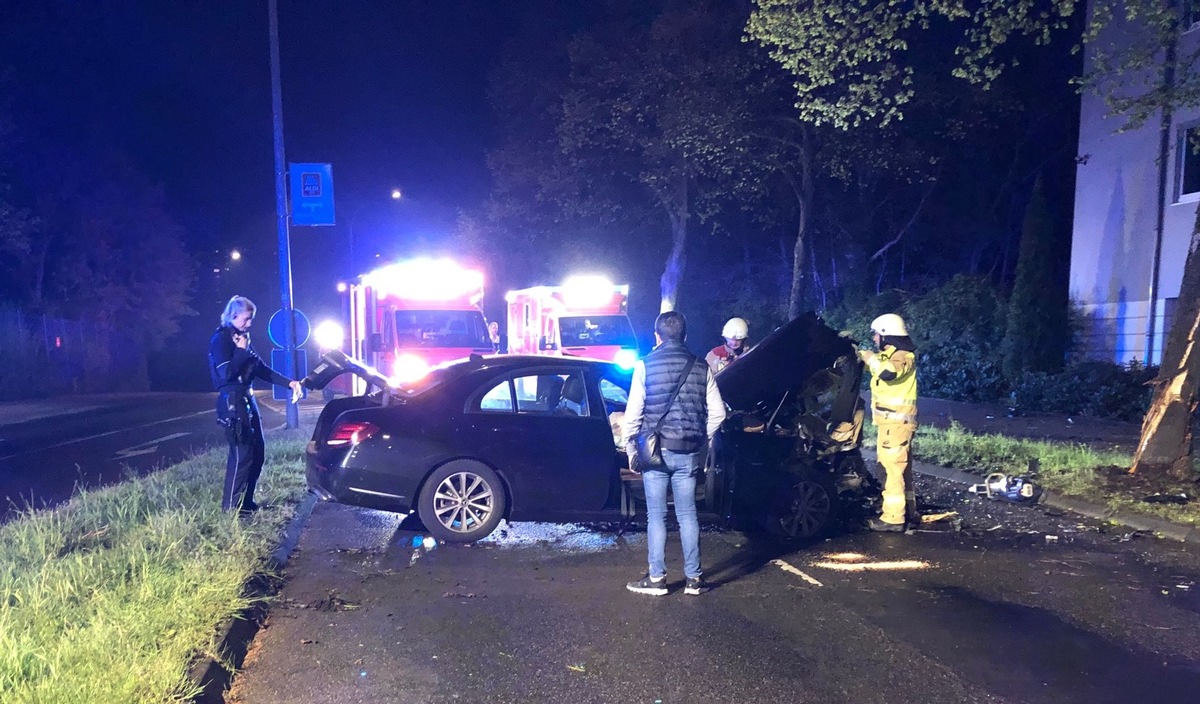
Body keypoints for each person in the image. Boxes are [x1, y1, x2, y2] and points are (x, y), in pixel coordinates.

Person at [622, 311, 726, 596]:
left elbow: (633, 416)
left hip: (655, 451)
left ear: (657, 336)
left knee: (656, 515)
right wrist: (701, 436)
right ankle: (694, 579)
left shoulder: (644, 366)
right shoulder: (701, 367)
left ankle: (657, 579)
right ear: (685, 336)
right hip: (689, 451)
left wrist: (631, 448)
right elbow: (718, 413)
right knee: (688, 514)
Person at [208, 296, 303, 514]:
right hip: (232, 401)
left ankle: (247, 503)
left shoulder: (242, 338)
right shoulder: (221, 339)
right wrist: (241, 351)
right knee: (242, 455)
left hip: (247, 400)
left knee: (257, 453)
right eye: (247, 319)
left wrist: (290, 383)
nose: (250, 324)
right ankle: (231, 509)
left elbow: (261, 369)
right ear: (233, 315)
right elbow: (226, 374)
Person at [858, 313, 919, 532]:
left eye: (876, 335)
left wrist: (869, 358)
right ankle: (909, 512)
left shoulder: (902, 356)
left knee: (891, 470)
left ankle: (893, 518)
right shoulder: (890, 355)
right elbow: (877, 366)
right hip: (893, 424)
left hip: (895, 425)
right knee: (902, 470)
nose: (874, 339)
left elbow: (888, 373)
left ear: (886, 335)